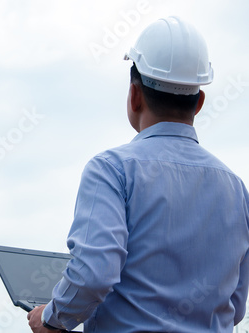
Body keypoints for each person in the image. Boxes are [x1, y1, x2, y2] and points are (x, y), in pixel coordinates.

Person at [28, 16, 249, 332]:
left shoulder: (111, 170)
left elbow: (94, 273)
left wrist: (53, 317)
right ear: (199, 102)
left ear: (134, 95)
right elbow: (235, 305)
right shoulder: (237, 190)